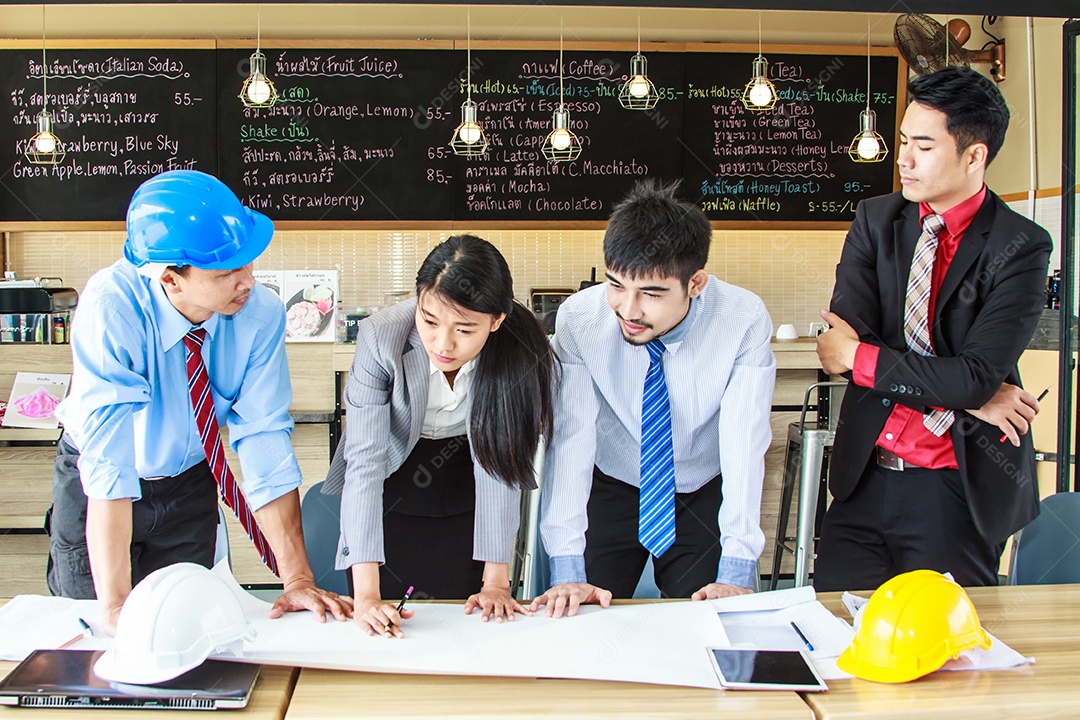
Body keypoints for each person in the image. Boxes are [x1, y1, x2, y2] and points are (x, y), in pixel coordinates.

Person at [49, 169, 351, 633]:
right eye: (227, 272)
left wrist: (297, 578)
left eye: (248, 262)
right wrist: (113, 605)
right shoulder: (111, 308)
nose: (247, 281)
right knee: (101, 633)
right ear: (171, 279)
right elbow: (109, 462)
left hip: (188, 479)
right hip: (101, 483)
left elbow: (263, 437)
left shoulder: (260, 314)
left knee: (184, 620)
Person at [814, 66, 1052, 592]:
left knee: (951, 658)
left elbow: (968, 375)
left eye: (922, 146)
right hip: (863, 478)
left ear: (974, 155)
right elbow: (840, 340)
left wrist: (866, 360)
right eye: (902, 141)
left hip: (954, 487)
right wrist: (968, 395)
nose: (903, 159)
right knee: (832, 640)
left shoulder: (1022, 246)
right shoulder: (876, 220)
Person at [532, 180, 776, 617]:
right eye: (616, 286)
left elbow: (744, 441)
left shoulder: (743, 319)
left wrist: (738, 568)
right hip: (610, 482)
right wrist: (566, 562)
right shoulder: (580, 319)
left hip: (700, 490)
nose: (628, 309)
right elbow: (571, 438)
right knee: (580, 617)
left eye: (651, 293)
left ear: (695, 283)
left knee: (703, 623)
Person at [321, 234, 558, 638]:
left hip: (468, 475)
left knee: (463, 629)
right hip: (391, 475)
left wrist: (496, 584)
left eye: (465, 330)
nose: (443, 344)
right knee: (382, 628)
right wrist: (366, 596)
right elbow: (364, 465)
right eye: (429, 321)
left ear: (496, 320)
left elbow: (499, 464)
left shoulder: (518, 348)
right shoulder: (382, 338)